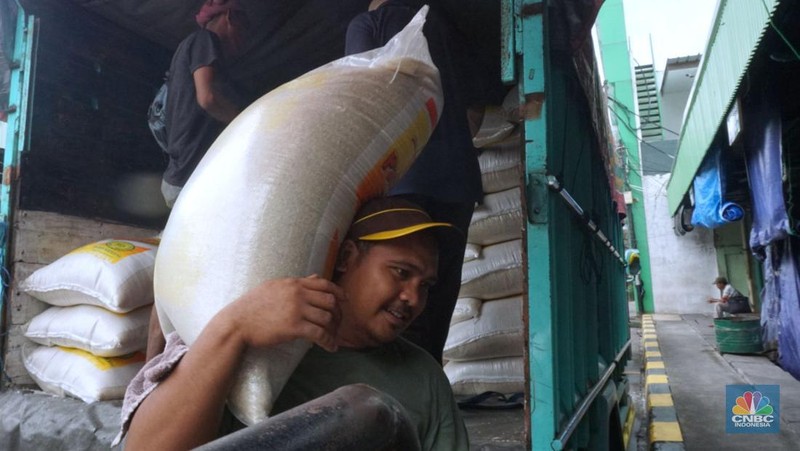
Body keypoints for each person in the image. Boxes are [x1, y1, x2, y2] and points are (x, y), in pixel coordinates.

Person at [117, 197, 469, 450]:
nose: (413, 297)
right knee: (368, 413)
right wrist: (234, 326)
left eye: (425, 286)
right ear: (347, 257)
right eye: (401, 273)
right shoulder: (259, 351)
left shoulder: (423, 377)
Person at [345, 0, 496, 363]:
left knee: (397, 286)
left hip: (402, 178)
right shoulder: (446, 28)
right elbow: (474, 113)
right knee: (436, 291)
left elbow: (359, 96)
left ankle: (397, 393)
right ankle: (428, 382)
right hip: (455, 180)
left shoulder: (369, 23)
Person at [161, 0, 250, 208]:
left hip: (181, 177)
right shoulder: (205, 39)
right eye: (244, 29)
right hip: (191, 181)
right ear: (230, 17)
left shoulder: (191, 48)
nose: (244, 39)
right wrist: (245, 122)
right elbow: (207, 98)